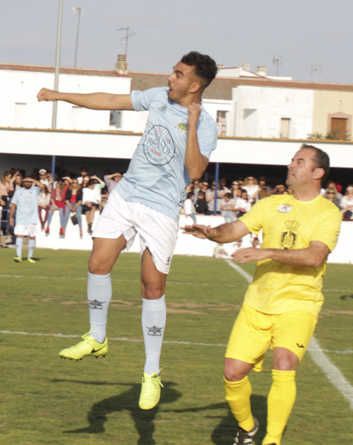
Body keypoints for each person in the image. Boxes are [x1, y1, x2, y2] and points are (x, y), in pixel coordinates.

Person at [38, 51, 219, 410]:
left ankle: (151, 372)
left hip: (161, 209)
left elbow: (196, 172)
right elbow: (108, 100)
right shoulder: (157, 97)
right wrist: (60, 96)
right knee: (97, 263)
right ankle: (97, 335)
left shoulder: (208, 125)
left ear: (195, 85)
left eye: (178, 74)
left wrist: (194, 123)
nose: (170, 77)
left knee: (152, 287)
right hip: (127, 194)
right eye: (172, 71)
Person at [182, 145, 340, 445]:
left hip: (299, 304)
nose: (291, 165)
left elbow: (314, 257)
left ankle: (271, 444)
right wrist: (212, 234)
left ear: (317, 172)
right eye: (292, 160)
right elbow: (234, 231)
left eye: (299, 161)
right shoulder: (269, 204)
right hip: (258, 302)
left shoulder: (328, 213)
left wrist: (265, 252)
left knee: (284, 363)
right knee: (232, 373)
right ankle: (248, 428)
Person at [10, 173, 46, 262]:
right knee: (19, 235)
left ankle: (30, 257)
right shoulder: (18, 191)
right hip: (20, 217)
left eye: (29, 182)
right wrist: (11, 217)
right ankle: (19, 256)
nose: (28, 183)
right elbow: (13, 204)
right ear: (23, 182)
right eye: (26, 181)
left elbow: (42, 186)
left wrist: (33, 180)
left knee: (31, 236)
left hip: (32, 217)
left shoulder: (35, 190)